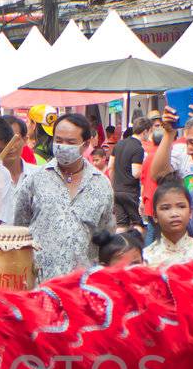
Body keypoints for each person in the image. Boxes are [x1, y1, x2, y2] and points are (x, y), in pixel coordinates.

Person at [13, 113, 115, 280]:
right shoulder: (35, 179)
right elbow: (19, 226)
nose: (62, 146)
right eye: (58, 140)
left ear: (86, 144)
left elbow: (105, 233)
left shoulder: (102, 184)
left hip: (81, 286)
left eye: (70, 142)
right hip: (39, 283)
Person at [143, 179, 193, 265]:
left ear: (190, 212)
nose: (174, 214)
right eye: (166, 208)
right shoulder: (147, 257)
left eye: (181, 207)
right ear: (155, 216)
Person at [108, 117, 149, 230]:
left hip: (116, 190)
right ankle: (138, 247)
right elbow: (136, 173)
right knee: (137, 224)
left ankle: (119, 248)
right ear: (145, 131)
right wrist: (146, 174)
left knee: (121, 225)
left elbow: (110, 167)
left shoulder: (118, 144)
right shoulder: (138, 148)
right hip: (130, 192)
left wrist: (113, 185)